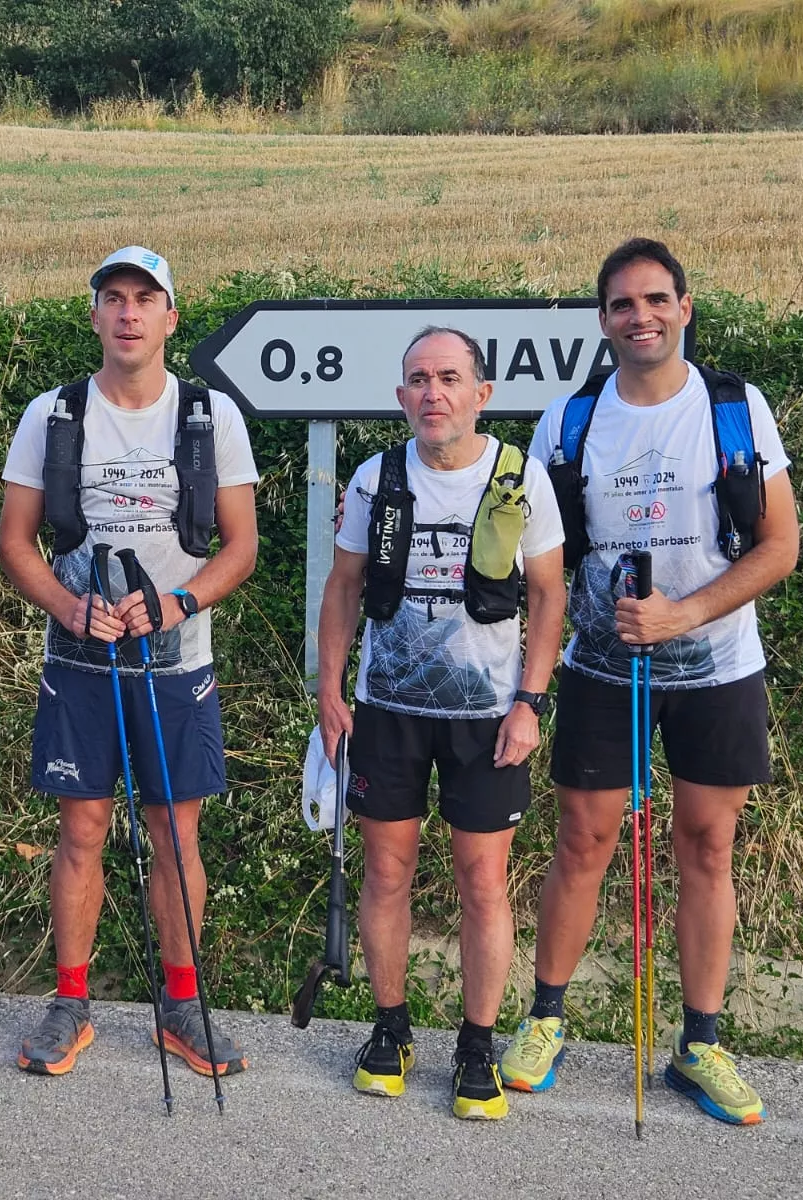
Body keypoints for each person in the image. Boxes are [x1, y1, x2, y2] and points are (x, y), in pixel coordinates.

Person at [502, 238, 798, 1126]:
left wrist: (685, 614)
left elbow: (780, 546)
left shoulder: (734, 408)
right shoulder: (566, 423)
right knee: (582, 842)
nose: (642, 316)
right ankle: (546, 1019)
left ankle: (700, 1043)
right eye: (624, 304)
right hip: (601, 665)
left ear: (686, 306)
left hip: (717, 665)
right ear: (603, 320)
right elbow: (532, 559)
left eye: (657, 299)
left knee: (708, 845)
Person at [0, 246, 260, 1078]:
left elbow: (241, 546)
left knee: (176, 832)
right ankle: (69, 1001)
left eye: (146, 299)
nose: (129, 313)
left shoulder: (211, 416)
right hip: (79, 660)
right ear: (96, 315)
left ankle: (181, 1004)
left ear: (171, 316)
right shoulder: (53, 412)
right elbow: (14, 543)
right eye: (113, 298)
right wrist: (71, 606)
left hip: (178, 663)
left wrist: (177, 602)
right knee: (81, 829)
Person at [317, 327, 566, 1120]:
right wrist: (330, 692)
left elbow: (549, 596)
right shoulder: (375, 478)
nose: (433, 393)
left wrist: (530, 703)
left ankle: (476, 1044)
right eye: (419, 380)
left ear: (480, 394)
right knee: (386, 874)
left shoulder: (521, 477)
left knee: (482, 883)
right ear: (401, 397)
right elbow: (344, 588)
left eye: (449, 378)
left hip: (488, 719)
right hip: (387, 711)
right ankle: (390, 1030)